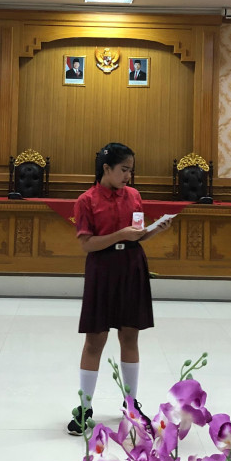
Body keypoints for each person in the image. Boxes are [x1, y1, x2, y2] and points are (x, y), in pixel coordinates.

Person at [67, 142, 167, 435]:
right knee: (95, 339)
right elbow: (87, 244)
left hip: (132, 266)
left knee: (130, 336)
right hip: (102, 268)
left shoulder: (134, 196)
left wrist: (152, 231)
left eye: (130, 171)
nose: (128, 176)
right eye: (124, 170)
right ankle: (85, 408)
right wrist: (120, 234)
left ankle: (131, 405)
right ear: (106, 168)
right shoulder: (86, 200)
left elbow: (137, 235)